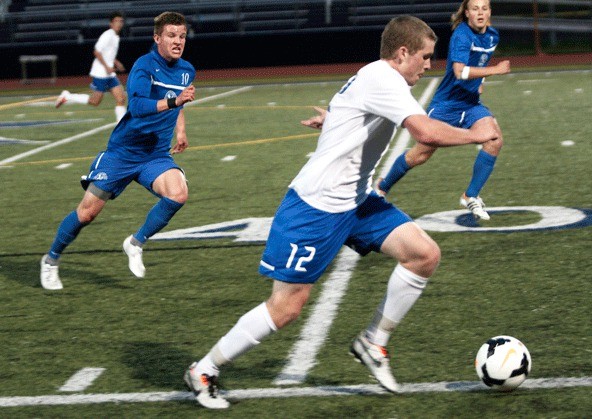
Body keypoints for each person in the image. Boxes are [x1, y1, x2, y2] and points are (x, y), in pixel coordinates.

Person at [183, 15, 498, 409]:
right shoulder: (384, 79)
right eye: (425, 56)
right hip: (316, 207)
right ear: (403, 53)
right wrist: (475, 135)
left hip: (356, 200)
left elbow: (351, 110)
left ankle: (373, 343)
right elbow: (426, 132)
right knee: (286, 308)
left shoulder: (378, 78)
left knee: (424, 254)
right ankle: (204, 370)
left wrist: (332, 122)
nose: (429, 64)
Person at [40, 12, 195, 290]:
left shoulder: (186, 70)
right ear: (157, 37)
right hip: (123, 153)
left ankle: (135, 243)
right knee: (87, 213)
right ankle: (51, 260)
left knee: (178, 193)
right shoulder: (144, 66)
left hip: (155, 155)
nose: (178, 41)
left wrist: (180, 129)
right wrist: (174, 102)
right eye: (171, 35)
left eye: (182, 36)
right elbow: (137, 107)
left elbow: (179, 101)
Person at [375, 0, 510, 220]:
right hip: (447, 104)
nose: (480, 13)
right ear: (466, 13)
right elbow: (459, 72)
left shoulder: (493, 35)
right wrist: (495, 70)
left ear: (489, 12)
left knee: (495, 139)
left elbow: (480, 61)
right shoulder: (462, 35)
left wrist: (482, 80)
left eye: (484, 8)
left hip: (471, 103)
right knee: (420, 154)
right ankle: (382, 187)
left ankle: (470, 196)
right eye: (475, 8)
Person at [55, 11, 127, 123]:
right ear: (111, 23)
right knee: (95, 101)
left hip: (109, 74)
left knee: (121, 98)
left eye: (121, 21)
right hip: (101, 73)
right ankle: (67, 96)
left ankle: (121, 127)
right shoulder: (107, 35)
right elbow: (97, 52)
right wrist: (107, 67)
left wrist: (116, 63)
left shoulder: (115, 37)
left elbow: (108, 54)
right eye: (116, 21)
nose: (119, 23)